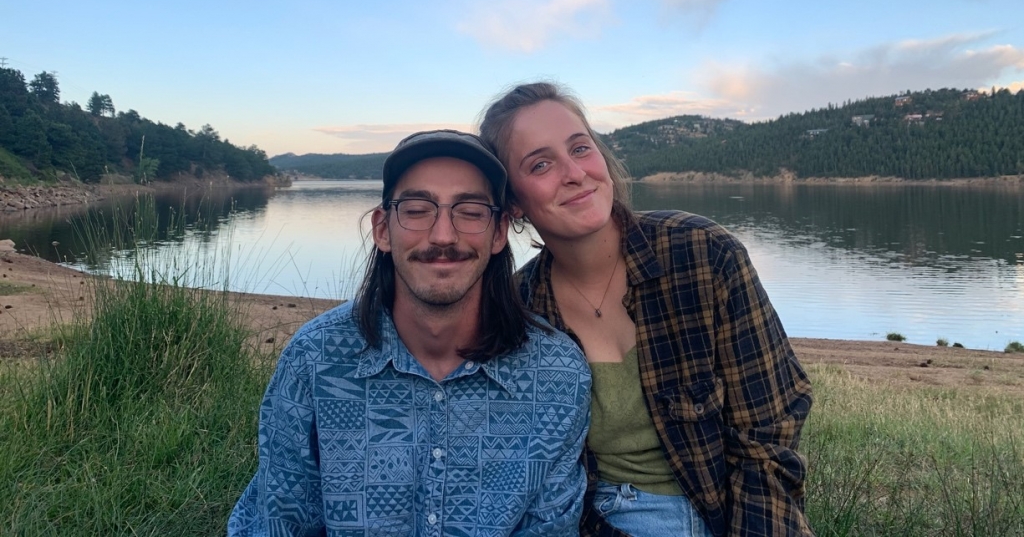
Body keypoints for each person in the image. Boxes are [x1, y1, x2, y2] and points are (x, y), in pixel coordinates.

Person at [479, 84, 815, 537]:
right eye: (541, 164)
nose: (575, 173)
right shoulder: (521, 306)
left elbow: (769, 439)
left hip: (716, 511)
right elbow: (537, 474)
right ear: (514, 202)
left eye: (581, 148)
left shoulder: (703, 255)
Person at [229, 129, 591, 537]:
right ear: (382, 229)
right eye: (418, 209)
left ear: (499, 232)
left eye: (470, 211)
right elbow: (280, 522)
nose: (443, 235)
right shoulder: (314, 360)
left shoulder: (557, 375)